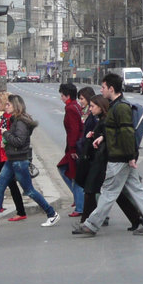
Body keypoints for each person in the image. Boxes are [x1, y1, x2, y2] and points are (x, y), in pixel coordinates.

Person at [72, 73, 143, 236]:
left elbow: (127, 133)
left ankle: (91, 225)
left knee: (109, 192)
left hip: (119, 157)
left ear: (111, 89)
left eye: (103, 87)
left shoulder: (120, 107)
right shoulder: (116, 106)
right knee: (136, 190)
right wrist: (103, 137)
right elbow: (118, 131)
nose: (101, 90)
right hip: (122, 156)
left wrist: (131, 156)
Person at [0, 95, 60, 228]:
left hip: (19, 161)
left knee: (29, 191)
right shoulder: (15, 120)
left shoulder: (20, 122)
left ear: (15, 106)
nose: (5, 107)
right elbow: (15, 140)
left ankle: (52, 214)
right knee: (0, 187)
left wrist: (5, 134)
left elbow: (19, 141)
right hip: (12, 160)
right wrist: (5, 140)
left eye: (8, 105)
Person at [76, 95, 143, 230]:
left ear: (101, 107)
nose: (90, 109)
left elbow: (116, 138)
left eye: (93, 106)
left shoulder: (105, 121)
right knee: (116, 194)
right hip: (103, 161)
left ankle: (87, 223)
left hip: (105, 162)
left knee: (91, 191)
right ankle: (136, 219)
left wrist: (95, 138)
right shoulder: (100, 120)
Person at [0, 92, 27, 222]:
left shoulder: (10, 118)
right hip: (4, 154)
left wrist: (4, 140)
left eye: (1, 103)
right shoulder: (5, 117)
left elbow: (12, 135)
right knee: (10, 183)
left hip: (7, 155)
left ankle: (2, 209)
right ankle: (18, 210)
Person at [57, 83, 84, 217]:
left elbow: (74, 130)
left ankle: (80, 205)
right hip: (74, 146)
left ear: (67, 95)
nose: (61, 98)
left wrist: (72, 149)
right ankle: (78, 200)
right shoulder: (76, 106)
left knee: (74, 176)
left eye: (62, 95)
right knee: (67, 171)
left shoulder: (71, 109)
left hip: (74, 148)